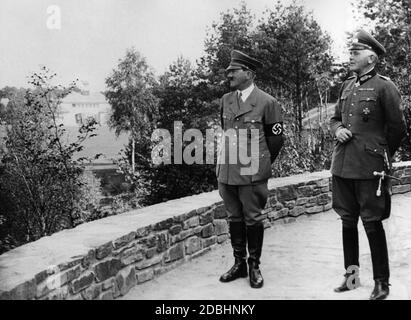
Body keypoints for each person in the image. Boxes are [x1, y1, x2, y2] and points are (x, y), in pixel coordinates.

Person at [330, 30, 407, 300]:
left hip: (369, 167)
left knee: (372, 224)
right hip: (342, 166)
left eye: (357, 52)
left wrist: (380, 154)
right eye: (351, 51)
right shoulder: (347, 86)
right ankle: (351, 278)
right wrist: (337, 129)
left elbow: (398, 128)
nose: (351, 56)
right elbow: (335, 118)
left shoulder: (385, 87)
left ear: (371, 57)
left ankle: (381, 283)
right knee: (347, 222)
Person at [217, 50, 284, 288]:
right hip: (227, 172)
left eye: (234, 71)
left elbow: (275, 140)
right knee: (234, 217)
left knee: (252, 218)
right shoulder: (226, 100)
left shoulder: (267, 102)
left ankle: (254, 265)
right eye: (228, 72)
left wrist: (260, 164)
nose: (229, 75)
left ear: (249, 73)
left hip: (252, 172)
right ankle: (239, 263)